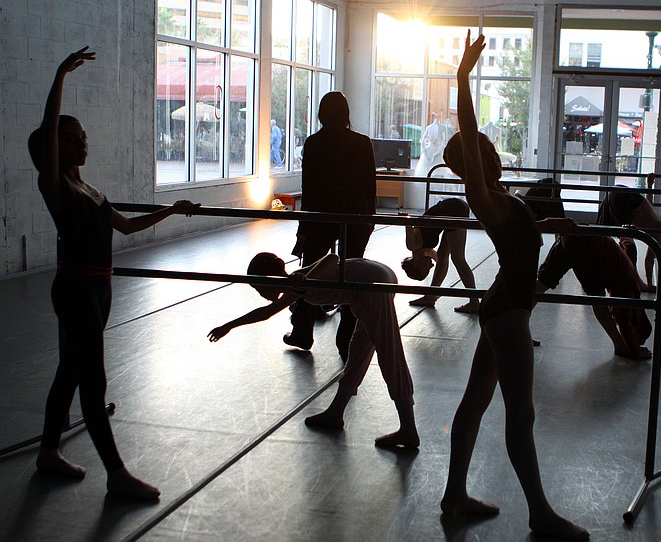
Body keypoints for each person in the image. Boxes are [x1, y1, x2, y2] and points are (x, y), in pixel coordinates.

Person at [28, 47, 200, 500]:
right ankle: (117, 474)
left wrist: (173, 209)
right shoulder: (56, 186)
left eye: (82, 135)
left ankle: (48, 451)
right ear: (52, 149)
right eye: (71, 138)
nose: (82, 142)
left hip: (98, 289)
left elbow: (125, 225)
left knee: (69, 372)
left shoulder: (89, 187)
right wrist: (59, 75)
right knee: (91, 381)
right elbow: (48, 136)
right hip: (77, 289)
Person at [439, 33, 589, 541]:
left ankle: (455, 494)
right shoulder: (482, 196)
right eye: (482, 152)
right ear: (472, 165)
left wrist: (551, 229)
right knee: (519, 412)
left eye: (489, 149)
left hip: (503, 305)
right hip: (506, 312)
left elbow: (519, 242)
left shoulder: (503, 198)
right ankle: (540, 515)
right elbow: (468, 127)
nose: (492, 154)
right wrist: (463, 73)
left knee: (476, 402)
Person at [207, 252, 419, 448]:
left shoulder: (299, 280)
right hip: (367, 286)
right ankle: (335, 413)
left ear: (268, 278)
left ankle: (408, 430)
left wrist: (306, 279)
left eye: (258, 286)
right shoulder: (296, 283)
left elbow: (331, 257)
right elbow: (267, 312)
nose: (259, 292)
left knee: (389, 353)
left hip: (370, 284)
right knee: (359, 351)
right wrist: (228, 326)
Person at [289, 92, 377, 359]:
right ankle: (346, 340)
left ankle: (302, 330)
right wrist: (370, 219)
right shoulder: (362, 143)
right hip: (355, 216)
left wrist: (303, 227)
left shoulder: (314, 143)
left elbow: (309, 188)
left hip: (320, 216)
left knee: (309, 272)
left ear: (321, 114)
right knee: (351, 276)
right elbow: (369, 185)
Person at [536, 218, 652, 360]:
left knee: (542, 282)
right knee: (598, 298)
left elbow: (629, 246)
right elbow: (623, 318)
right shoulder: (628, 291)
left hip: (579, 233)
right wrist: (634, 350)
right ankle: (620, 347)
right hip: (584, 246)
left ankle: (517, 324)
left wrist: (627, 233)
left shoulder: (630, 275)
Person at [596, 173, 661, 293]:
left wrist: (649, 184)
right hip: (624, 199)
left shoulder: (658, 222)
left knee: (599, 234)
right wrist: (649, 285)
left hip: (616, 192)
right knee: (628, 244)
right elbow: (649, 260)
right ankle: (634, 282)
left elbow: (648, 202)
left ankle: (593, 272)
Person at [400, 198, 479, 313]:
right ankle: (431, 297)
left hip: (452, 209)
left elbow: (408, 223)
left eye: (426, 269)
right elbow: (440, 262)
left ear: (416, 264)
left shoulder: (412, 245)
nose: (431, 266)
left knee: (458, 258)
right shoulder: (426, 252)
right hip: (450, 213)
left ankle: (474, 302)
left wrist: (404, 216)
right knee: (444, 256)